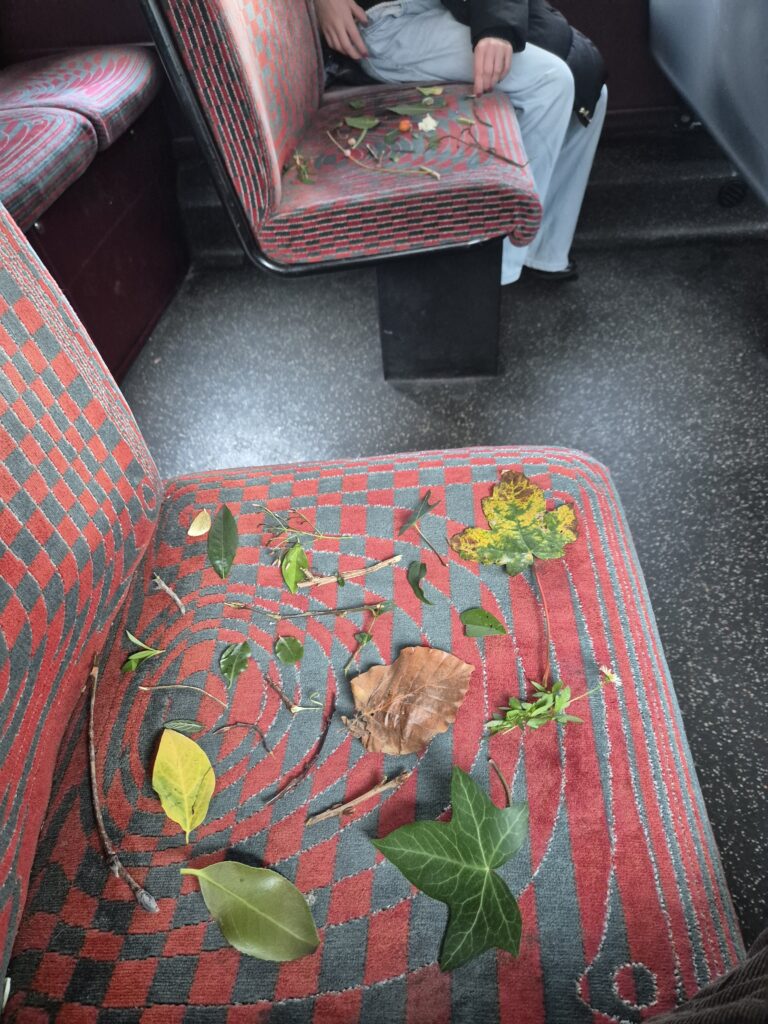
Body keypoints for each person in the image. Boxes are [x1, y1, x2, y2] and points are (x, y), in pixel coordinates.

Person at [314, 0, 607, 284]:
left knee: (589, 88)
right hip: (386, 20)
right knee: (550, 81)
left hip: (447, 7)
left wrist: (498, 27)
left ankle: (543, 253)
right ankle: (492, 274)